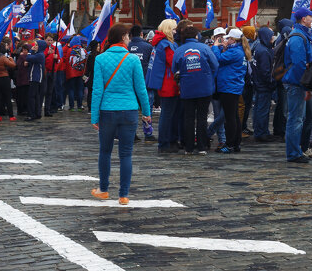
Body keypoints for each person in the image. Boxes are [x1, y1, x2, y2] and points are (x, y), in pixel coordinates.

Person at [90, 23, 151, 205]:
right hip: (129, 110)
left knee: (105, 151)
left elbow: (97, 90)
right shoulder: (133, 60)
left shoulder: (100, 59)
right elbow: (141, 89)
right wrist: (146, 112)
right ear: (124, 37)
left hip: (107, 111)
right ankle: (123, 195)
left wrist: (94, 116)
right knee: (126, 154)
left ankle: (103, 189)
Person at [172, 24, 218, 155]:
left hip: (187, 88)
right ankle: (202, 147)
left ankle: (189, 147)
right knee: (202, 118)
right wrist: (209, 77)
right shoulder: (204, 48)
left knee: (188, 118)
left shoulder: (179, 50)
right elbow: (215, 65)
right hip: (204, 87)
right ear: (197, 35)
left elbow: (174, 69)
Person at [282, 7, 312, 164]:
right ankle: (293, 153)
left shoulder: (301, 34)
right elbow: (299, 65)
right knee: (295, 119)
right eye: (310, 17)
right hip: (297, 84)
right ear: (304, 19)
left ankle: (297, 150)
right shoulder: (298, 37)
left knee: (300, 118)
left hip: (297, 83)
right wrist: (305, 86)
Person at [213, 28, 250, 154]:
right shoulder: (239, 50)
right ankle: (236, 143)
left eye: (228, 38)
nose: (226, 40)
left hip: (228, 86)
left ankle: (229, 144)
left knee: (230, 118)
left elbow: (218, 58)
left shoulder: (235, 52)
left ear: (233, 40)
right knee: (234, 117)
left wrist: (215, 46)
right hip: (233, 86)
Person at [146, 19, 179, 154]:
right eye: (174, 29)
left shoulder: (159, 43)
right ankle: (165, 142)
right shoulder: (166, 45)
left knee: (168, 113)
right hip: (169, 83)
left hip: (165, 82)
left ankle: (167, 141)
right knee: (168, 114)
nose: (176, 31)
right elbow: (174, 62)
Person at [251, 26, 275, 142]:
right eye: (271, 35)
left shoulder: (258, 47)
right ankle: (261, 132)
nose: (273, 38)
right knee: (262, 110)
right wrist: (271, 83)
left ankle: (260, 130)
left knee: (258, 109)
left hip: (258, 83)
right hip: (263, 85)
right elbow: (265, 72)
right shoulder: (264, 51)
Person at [207, 27, 227, 148]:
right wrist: (215, 46)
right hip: (215, 86)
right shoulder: (211, 50)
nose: (221, 38)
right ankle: (222, 139)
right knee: (218, 113)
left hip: (224, 85)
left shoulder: (227, 49)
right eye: (218, 36)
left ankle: (209, 133)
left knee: (223, 115)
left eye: (223, 36)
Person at [25, 39, 46, 121]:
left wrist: (30, 51)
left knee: (31, 96)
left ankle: (31, 114)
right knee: (36, 96)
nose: (34, 46)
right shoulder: (39, 54)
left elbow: (28, 57)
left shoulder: (40, 55)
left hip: (35, 77)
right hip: (35, 77)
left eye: (36, 45)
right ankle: (37, 113)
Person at [64, 37, 86, 110]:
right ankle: (80, 106)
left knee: (71, 89)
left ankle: (72, 106)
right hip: (80, 73)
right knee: (80, 89)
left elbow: (67, 62)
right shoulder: (83, 50)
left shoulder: (70, 50)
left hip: (71, 73)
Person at [84, 40, 100, 111]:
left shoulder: (98, 55)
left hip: (96, 77)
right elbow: (89, 68)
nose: (99, 47)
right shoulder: (91, 56)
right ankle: (90, 107)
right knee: (90, 92)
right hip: (92, 77)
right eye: (98, 46)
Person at [15, 43, 30, 115]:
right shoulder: (23, 57)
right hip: (24, 79)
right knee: (23, 96)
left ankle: (21, 109)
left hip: (22, 79)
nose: (24, 51)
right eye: (23, 50)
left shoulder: (22, 57)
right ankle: (23, 109)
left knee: (22, 96)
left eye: (25, 50)